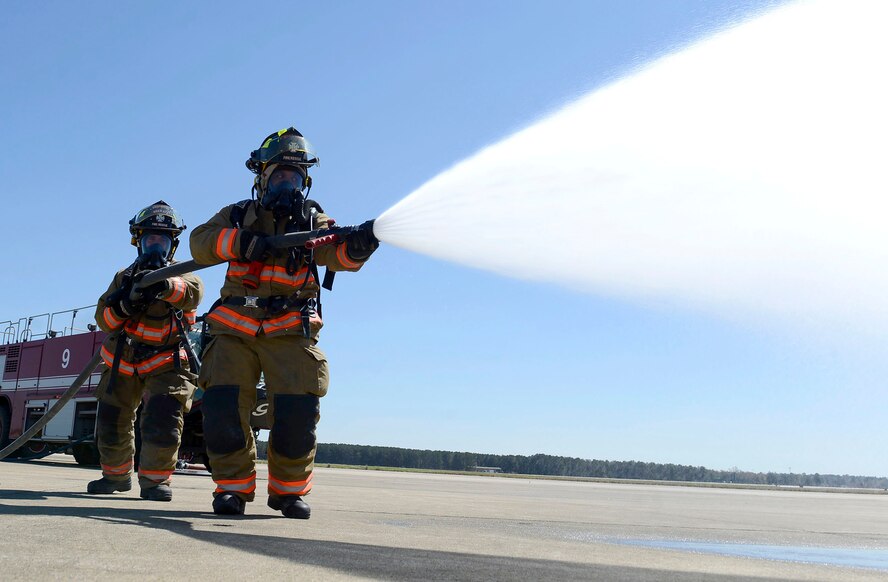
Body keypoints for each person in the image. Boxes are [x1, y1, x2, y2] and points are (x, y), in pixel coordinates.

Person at [189, 127, 378, 518]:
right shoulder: (237, 215)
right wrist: (239, 241)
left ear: (305, 182)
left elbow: (337, 253)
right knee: (222, 410)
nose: (286, 184)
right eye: (279, 176)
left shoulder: (314, 221)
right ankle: (232, 490)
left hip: (290, 332)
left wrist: (358, 246)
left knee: (297, 414)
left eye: (294, 177)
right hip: (233, 332)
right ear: (261, 178)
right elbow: (200, 242)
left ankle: (288, 492)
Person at [86, 201, 204, 501]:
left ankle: (154, 482)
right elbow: (105, 320)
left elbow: (192, 295)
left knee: (163, 422)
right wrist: (125, 302)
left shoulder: (186, 273)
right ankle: (115, 476)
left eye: (162, 240)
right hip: (123, 361)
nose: (156, 246)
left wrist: (164, 286)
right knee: (112, 421)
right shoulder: (123, 278)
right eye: (150, 239)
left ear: (172, 245)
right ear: (139, 242)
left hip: (167, 363)